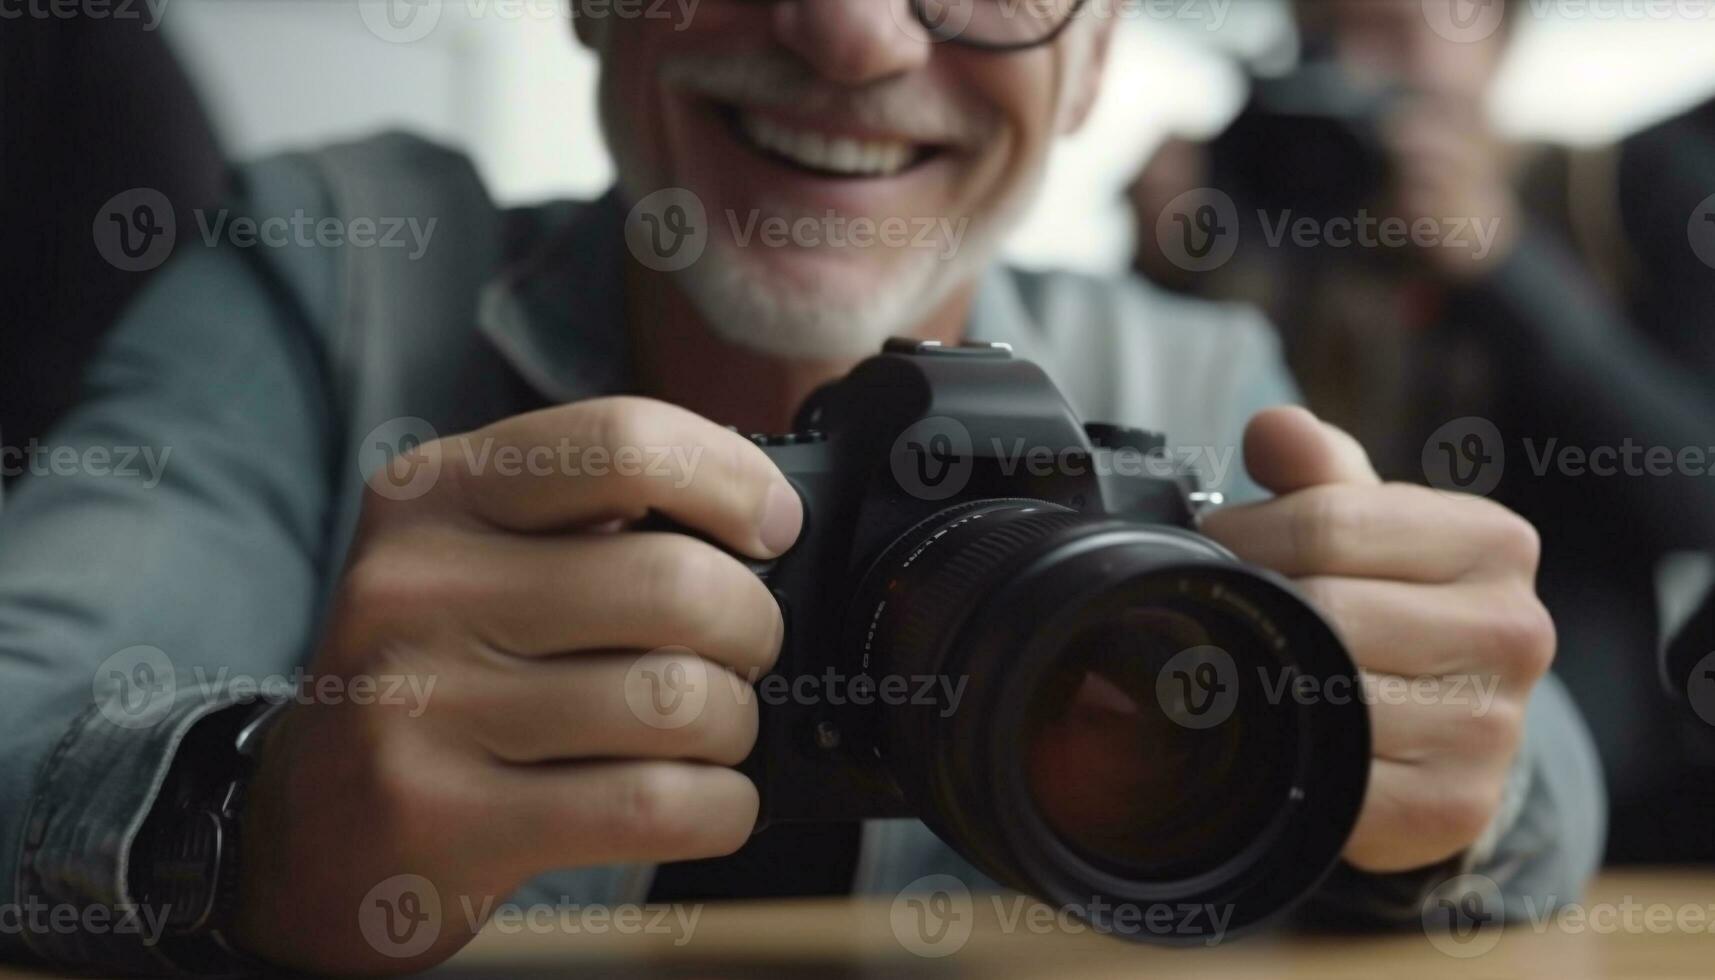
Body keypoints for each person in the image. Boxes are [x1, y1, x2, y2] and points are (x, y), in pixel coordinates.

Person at [0, 0, 1600, 974]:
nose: (849, 34)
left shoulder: (1184, 381)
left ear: (1100, 53)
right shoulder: (338, 276)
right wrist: (256, 819)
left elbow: (1535, 780)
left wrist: (1453, 796)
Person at [1131, 0, 1715, 862]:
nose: (1369, 70)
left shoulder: (1618, 193)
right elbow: (1159, 472)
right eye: (1339, 33)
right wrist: (1163, 267)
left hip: (1582, 790)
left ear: (1502, 36)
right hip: (1266, 768)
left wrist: (1503, 269)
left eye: (1409, 31)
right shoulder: (1271, 193)